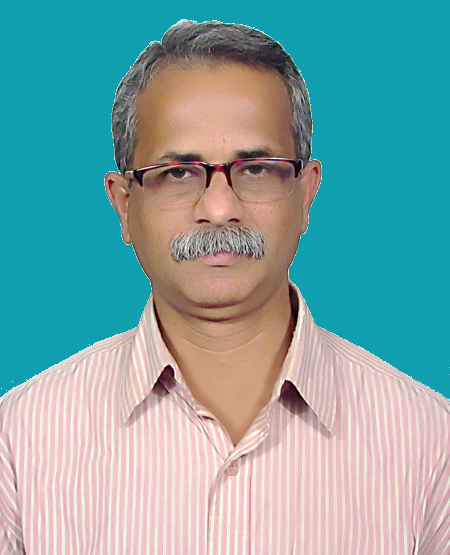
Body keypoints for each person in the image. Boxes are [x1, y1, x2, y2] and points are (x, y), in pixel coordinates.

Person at [0, 20, 449, 555]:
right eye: (177, 173)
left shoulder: (429, 442)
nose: (218, 208)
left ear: (306, 193)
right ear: (123, 203)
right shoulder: (21, 441)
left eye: (255, 169)